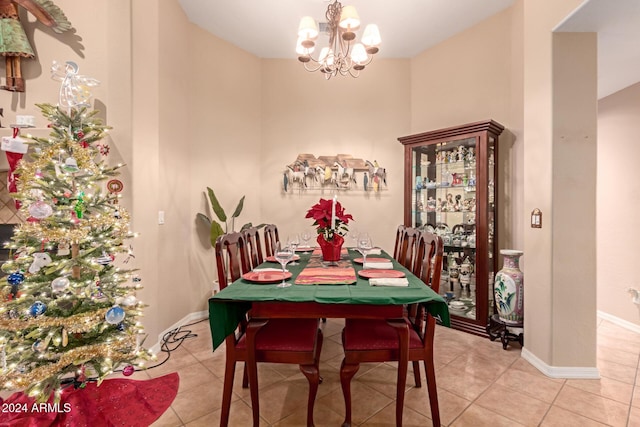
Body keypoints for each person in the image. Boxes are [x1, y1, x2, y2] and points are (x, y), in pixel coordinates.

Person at [0, 0, 71, 92]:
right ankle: (9, 82)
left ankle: (18, 81)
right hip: (4, 27)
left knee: (15, 54)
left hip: (13, 26)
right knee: (8, 55)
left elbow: (29, 4)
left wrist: (49, 22)